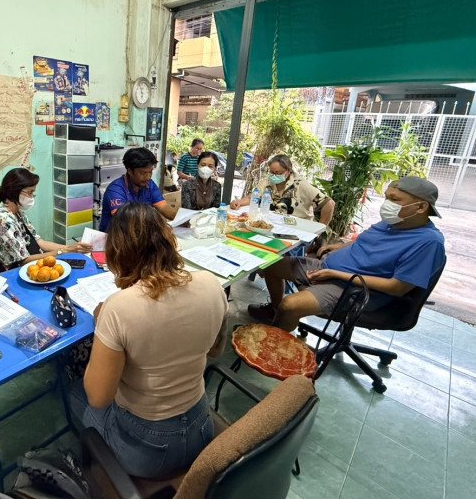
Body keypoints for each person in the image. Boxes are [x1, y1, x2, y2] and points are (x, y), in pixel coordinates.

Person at [70, 203, 228, 479]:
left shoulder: (118, 308)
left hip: (148, 449)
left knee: (75, 394)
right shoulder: (212, 284)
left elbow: (99, 398)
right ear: (168, 240)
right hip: (201, 428)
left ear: (117, 254)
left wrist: (104, 327)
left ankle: (92, 473)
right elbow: (216, 350)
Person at [248, 176, 446, 333]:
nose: (387, 204)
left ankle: (276, 347)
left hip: (354, 290)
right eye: (387, 198)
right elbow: (366, 240)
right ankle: (276, 311)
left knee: (291, 305)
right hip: (327, 269)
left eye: (394, 200)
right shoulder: (394, 222)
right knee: (270, 264)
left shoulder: (428, 242)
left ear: (421, 207)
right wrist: (340, 246)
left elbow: (396, 288)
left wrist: (337, 274)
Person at [0, 167, 92, 270]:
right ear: (14, 191)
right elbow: (24, 261)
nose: (32, 197)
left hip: (32, 262)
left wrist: (71, 248)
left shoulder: (18, 212)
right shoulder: (2, 221)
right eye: (30, 192)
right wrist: (65, 251)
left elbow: (40, 243)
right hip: (13, 272)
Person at [230, 154, 335, 225]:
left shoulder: (300, 184)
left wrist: (319, 230)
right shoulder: (267, 181)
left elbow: (329, 204)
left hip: (297, 229)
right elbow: (252, 197)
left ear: (288, 171)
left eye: (278, 173)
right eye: (272, 172)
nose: (274, 176)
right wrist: (239, 202)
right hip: (271, 225)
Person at [99, 147, 177, 231]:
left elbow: (164, 208)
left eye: (150, 172)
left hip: (139, 233)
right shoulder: (115, 190)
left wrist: (181, 219)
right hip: (115, 235)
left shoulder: (149, 185)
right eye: (143, 173)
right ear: (129, 171)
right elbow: (125, 221)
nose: (148, 177)